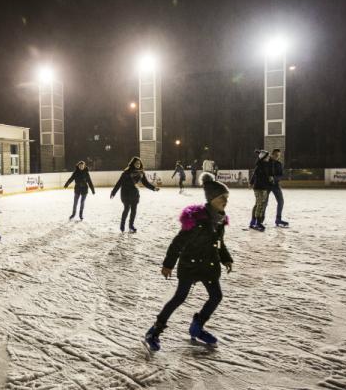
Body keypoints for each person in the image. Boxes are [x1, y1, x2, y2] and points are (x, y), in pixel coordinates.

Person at [144, 172, 233, 351]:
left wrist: (226, 259)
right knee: (179, 298)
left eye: (226, 197)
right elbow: (178, 243)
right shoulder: (197, 220)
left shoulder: (220, 220)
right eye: (222, 197)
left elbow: (219, 243)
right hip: (190, 265)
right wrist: (168, 264)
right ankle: (154, 331)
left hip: (209, 265)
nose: (225, 200)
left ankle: (197, 326)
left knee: (216, 296)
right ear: (212, 198)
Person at [110, 156, 159, 233]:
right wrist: (113, 192)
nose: (138, 164)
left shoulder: (141, 173)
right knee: (126, 209)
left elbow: (145, 183)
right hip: (125, 193)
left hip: (134, 194)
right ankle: (122, 224)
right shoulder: (126, 172)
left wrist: (153, 188)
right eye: (136, 163)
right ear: (133, 163)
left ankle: (131, 225)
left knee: (134, 210)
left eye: (139, 163)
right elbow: (119, 183)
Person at [249, 150, 273, 231]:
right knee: (259, 204)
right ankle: (256, 222)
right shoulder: (259, 166)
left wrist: (270, 179)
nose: (268, 157)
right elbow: (256, 176)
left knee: (261, 204)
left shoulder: (266, 165)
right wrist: (251, 182)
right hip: (259, 188)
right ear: (263, 157)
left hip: (264, 187)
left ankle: (256, 222)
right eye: (267, 156)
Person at [267, 149, 289, 227]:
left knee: (281, 201)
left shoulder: (279, 164)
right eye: (276, 155)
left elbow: (281, 175)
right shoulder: (266, 162)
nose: (277, 157)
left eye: (278, 156)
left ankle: (278, 219)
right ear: (272, 155)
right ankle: (259, 220)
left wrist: (274, 178)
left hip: (275, 185)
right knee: (264, 203)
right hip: (266, 185)